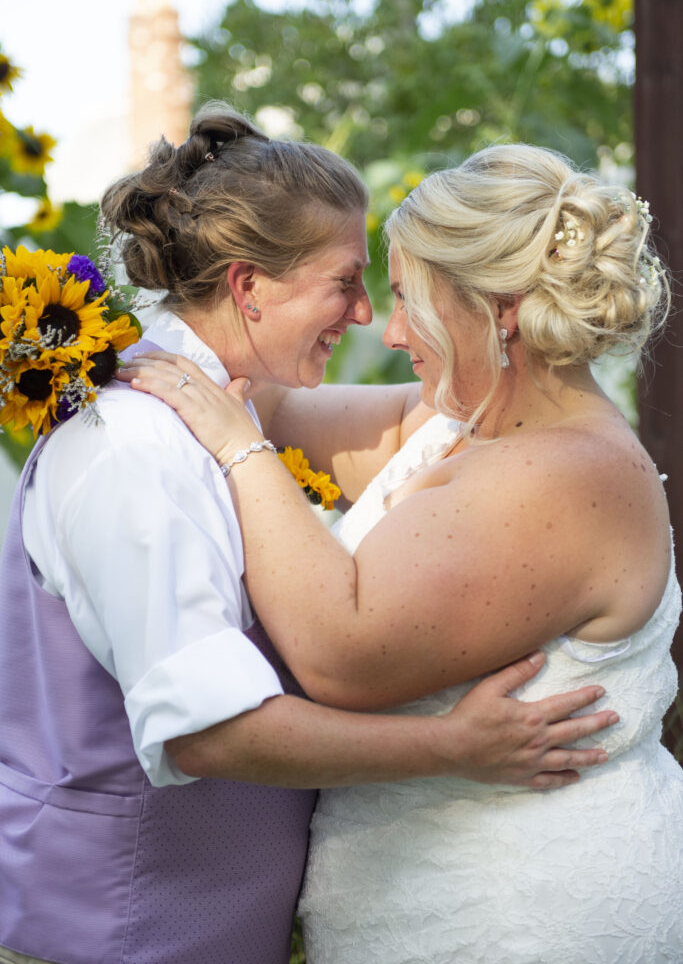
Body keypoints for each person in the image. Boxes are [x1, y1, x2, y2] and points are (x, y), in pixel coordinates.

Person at [0, 111, 615, 964]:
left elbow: (424, 421)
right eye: (345, 282)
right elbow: (204, 731)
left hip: (205, 923)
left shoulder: (224, 411)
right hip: (120, 930)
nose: (366, 316)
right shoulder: (135, 448)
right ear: (249, 287)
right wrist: (453, 747)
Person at [123, 142, 683, 963]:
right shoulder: (461, 419)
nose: (386, 331)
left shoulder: (567, 477)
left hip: (519, 916)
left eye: (410, 301)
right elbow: (263, 391)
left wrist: (238, 451)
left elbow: (341, 655)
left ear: (498, 308)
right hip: (423, 899)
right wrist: (226, 274)